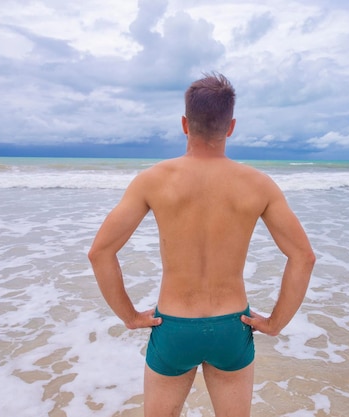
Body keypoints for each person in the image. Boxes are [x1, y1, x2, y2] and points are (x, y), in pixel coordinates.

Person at [88, 72, 315, 417]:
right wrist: (275, 323)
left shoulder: (152, 180)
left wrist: (131, 316)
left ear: (184, 123)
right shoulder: (258, 185)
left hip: (173, 326)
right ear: (231, 126)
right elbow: (303, 257)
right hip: (232, 325)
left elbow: (100, 252)